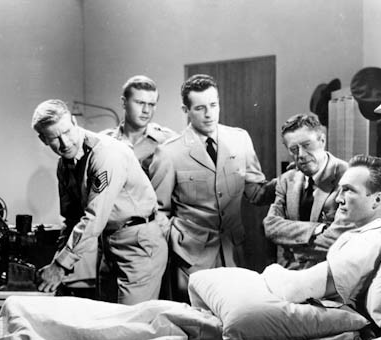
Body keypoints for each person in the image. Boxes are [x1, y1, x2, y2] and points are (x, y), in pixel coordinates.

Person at [149, 74, 275, 302]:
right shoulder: (169, 152)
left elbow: (256, 193)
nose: (209, 114)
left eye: (213, 105)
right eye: (200, 108)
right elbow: (158, 211)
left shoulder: (239, 139)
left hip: (233, 252)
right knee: (195, 318)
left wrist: (289, 181)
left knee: (235, 312)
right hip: (190, 256)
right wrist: (176, 244)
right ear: (186, 110)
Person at [31, 99, 168, 305]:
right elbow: (71, 219)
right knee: (107, 316)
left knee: (131, 320)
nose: (65, 143)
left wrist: (60, 266)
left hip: (139, 244)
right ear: (43, 140)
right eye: (54, 138)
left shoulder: (106, 154)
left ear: (74, 122)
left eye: (67, 132)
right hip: (109, 243)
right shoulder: (64, 165)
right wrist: (57, 262)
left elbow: (94, 218)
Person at [263, 155, 381, 306]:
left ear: (377, 200)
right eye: (340, 190)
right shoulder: (372, 233)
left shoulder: (367, 242)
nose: (338, 199)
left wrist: (269, 272)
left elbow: (293, 290)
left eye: (348, 190)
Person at [263, 113, 354, 269]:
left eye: (306, 145)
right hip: (290, 272)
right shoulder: (286, 180)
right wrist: (317, 229)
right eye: (294, 149)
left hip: (330, 273)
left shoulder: (349, 177)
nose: (301, 155)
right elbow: (271, 226)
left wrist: (292, 244)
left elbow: (342, 239)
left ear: (322, 141)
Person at [101, 75, 176, 177]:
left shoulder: (168, 141)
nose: (146, 110)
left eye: (151, 104)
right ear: (124, 102)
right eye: (140, 103)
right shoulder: (103, 141)